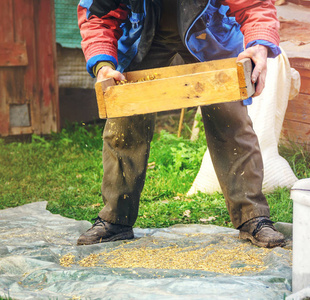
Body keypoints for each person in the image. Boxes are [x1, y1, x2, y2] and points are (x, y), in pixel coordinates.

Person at [76, 0, 286, 248]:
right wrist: (103, 66)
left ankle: (253, 217)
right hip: (143, 35)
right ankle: (115, 220)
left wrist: (259, 47)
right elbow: (98, 14)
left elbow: (255, 5)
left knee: (230, 119)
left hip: (207, 32)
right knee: (124, 118)